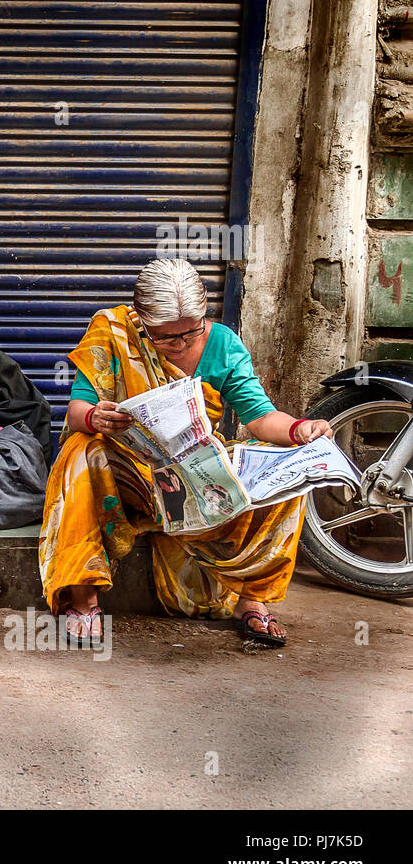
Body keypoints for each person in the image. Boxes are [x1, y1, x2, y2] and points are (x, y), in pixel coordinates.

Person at [39, 258, 332, 648]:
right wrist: (96, 417)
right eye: (164, 338)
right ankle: (83, 596)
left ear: (204, 315)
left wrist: (300, 429)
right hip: (130, 473)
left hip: (194, 476)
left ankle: (253, 599)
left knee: (288, 471)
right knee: (81, 450)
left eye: (189, 334)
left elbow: (261, 418)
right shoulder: (112, 330)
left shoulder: (223, 344)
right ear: (141, 321)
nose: (178, 345)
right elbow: (77, 412)